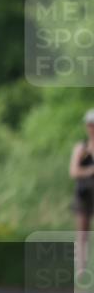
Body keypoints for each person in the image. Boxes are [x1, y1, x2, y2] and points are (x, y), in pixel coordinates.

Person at [69, 109, 94, 275]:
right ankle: (80, 271)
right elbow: (73, 171)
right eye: (90, 124)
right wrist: (90, 171)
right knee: (82, 234)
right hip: (84, 194)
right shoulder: (81, 147)